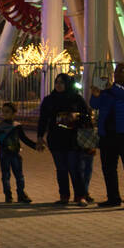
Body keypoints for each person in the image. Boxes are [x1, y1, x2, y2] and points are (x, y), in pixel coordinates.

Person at [90, 62, 124, 208]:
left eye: (121, 71)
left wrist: (112, 87)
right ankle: (113, 198)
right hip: (108, 134)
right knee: (108, 168)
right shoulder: (108, 91)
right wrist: (95, 95)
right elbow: (95, 105)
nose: (117, 74)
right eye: (116, 71)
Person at [36, 72, 90, 205]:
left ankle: (80, 195)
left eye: (62, 82)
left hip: (72, 138)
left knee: (74, 167)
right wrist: (39, 136)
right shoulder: (49, 99)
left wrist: (75, 116)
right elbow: (43, 119)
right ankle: (64, 196)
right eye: (57, 82)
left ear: (67, 84)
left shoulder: (76, 98)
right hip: (56, 138)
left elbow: (87, 115)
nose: (59, 85)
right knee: (61, 168)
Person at [0, 102, 42, 203]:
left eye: (7, 112)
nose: (5, 114)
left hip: (15, 154)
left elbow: (24, 139)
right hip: (4, 154)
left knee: (19, 175)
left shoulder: (17, 126)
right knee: (6, 175)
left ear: (14, 113)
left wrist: (35, 146)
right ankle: (8, 195)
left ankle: (21, 194)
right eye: (3, 112)